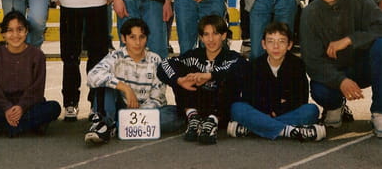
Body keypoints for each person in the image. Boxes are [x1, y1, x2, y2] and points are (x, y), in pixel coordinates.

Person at [300, 0, 382, 138]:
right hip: (334, 72)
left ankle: (381, 113)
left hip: (364, 66)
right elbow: (312, 62)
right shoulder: (309, 14)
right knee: (319, 90)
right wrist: (341, 81)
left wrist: (350, 40)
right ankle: (335, 107)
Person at [84, 18, 183, 144]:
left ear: (146, 38)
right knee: (105, 86)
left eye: (142, 37)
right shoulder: (116, 56)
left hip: (146, 111)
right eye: (132, 37)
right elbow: (92, 76)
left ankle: (116, 126)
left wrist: (136, 114)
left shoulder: (155, 60)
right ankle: (108, 123)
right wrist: (125, 88)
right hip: (119, 108)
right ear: (124, 39)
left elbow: (157, 97)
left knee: (174, 114)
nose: (138, 42)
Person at [0, 11, 61, 138]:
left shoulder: (37, 55)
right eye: (10, 30)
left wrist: (21, 107)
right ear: (3, 34)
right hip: (1, 108)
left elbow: (37, 90)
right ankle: (24, 126)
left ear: (26, 31)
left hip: (28, 107)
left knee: (53, 107)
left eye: (20, 29)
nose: (15, 35)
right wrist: (7, 109)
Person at [228, 22, 326, 141]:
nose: (276, 46)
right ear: (263, 44)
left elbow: (300, 98)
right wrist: (274, 105)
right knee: (237, 108)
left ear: (289, 45)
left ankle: (254, 128)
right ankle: (290, 131)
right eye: (270, 41)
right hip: (262, 112)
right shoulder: (255, 65)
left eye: (281, 41)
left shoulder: (297, 65)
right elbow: (249, 97)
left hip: (283, 113)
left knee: (311, 110)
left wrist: (276, 109)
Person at [157, 15, 246, 145]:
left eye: (215, 34)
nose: (210, 39)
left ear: (223, 36)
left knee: (231, 76)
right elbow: (164, 64)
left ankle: (212, 122)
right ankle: (193, 118)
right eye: (206, 34)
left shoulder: (232, 57)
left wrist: (210, 75)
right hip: (197, 105)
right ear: (201, 37)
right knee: (183, 75)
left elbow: (242, 67)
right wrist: (179, 80)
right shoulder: (193, 56)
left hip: (221, 111)